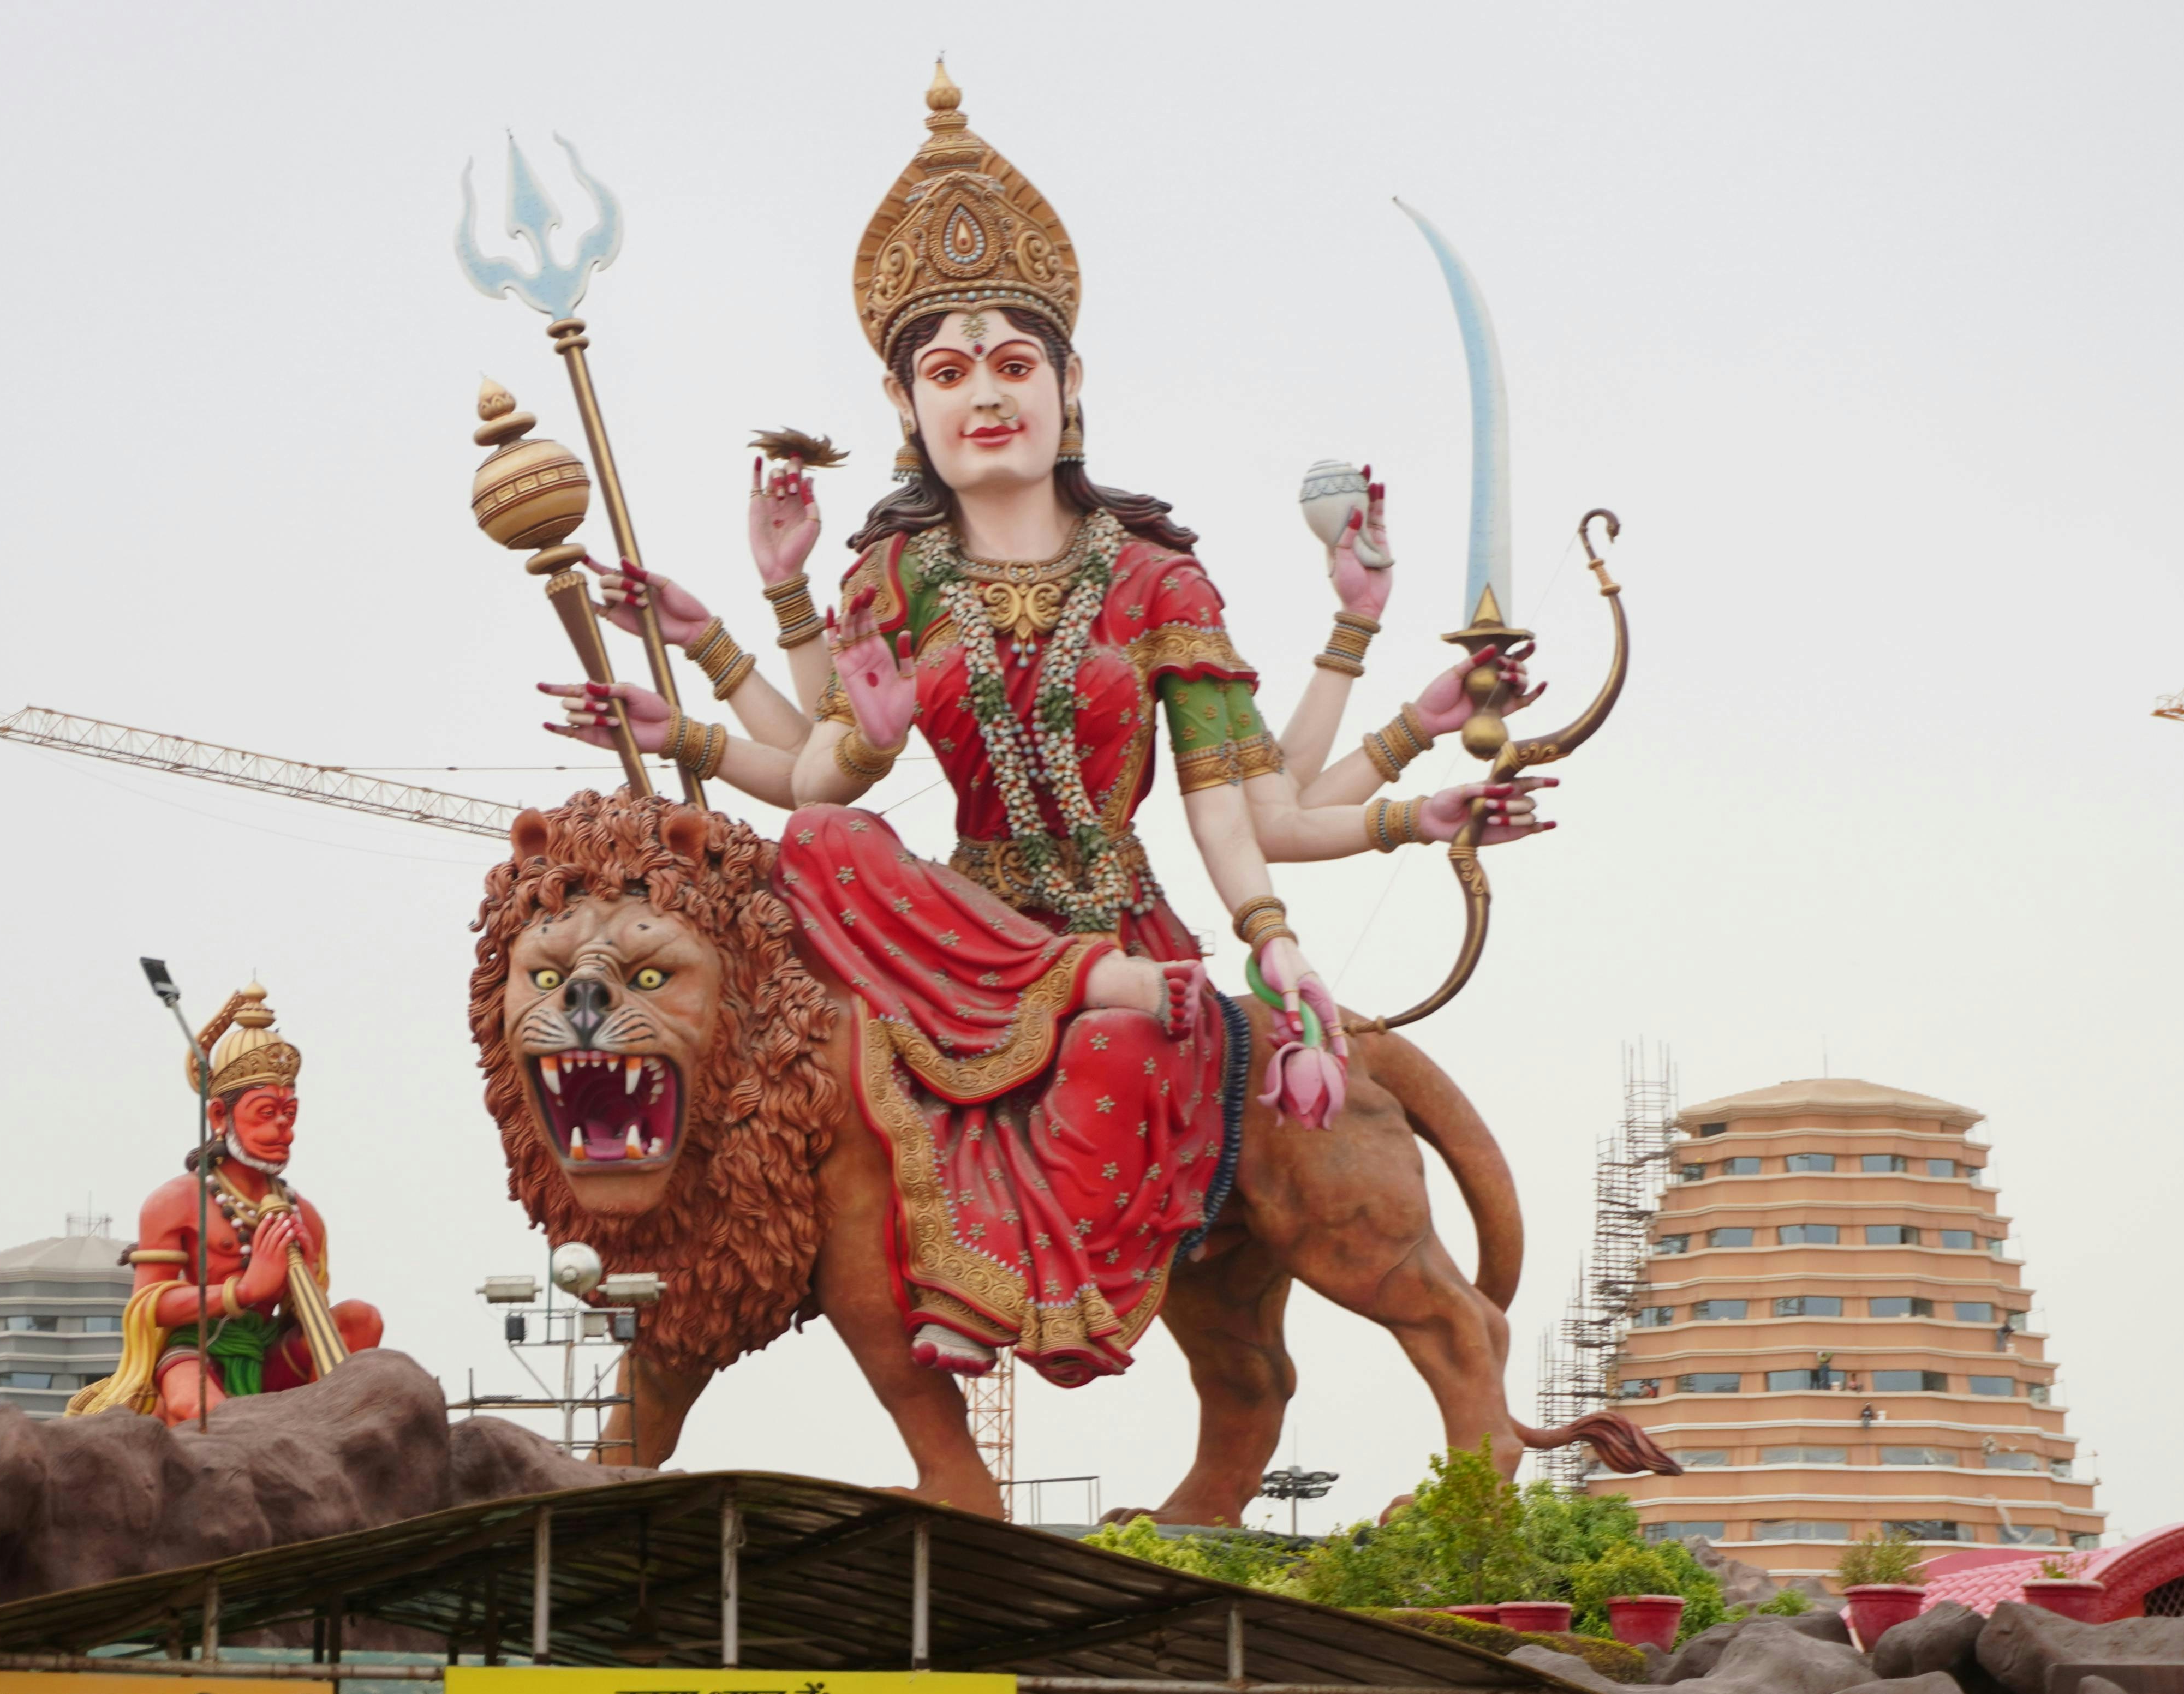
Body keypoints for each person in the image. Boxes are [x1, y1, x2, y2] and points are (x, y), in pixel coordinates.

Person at [535, 67, 1553, 1388]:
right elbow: (817, 775)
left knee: (1123, 1033)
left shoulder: (1155, 581)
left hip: (1126, 938)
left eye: (1013, 364)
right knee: (828, 842)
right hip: (951, 943)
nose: (985, 396)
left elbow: (1237, 811)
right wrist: (709, 678)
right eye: (947, 372)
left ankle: (1030, 1275)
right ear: (907, 409)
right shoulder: (893, 577)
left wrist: (1282, 940)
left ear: (1071, 382)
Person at [77, 984, 383, 1424]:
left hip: (267, 1349)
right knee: (198, 1409)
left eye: (289, 1113)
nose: (283, 1129)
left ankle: (328, 1433)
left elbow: (304, 1321)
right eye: (265, 1113)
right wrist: (244, 1291)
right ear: (220, 1116)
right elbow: (147, 1305)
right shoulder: (177, 1202)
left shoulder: (303, 1215)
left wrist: (307, 1276)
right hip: (197, 1351)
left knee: (361, 1319)